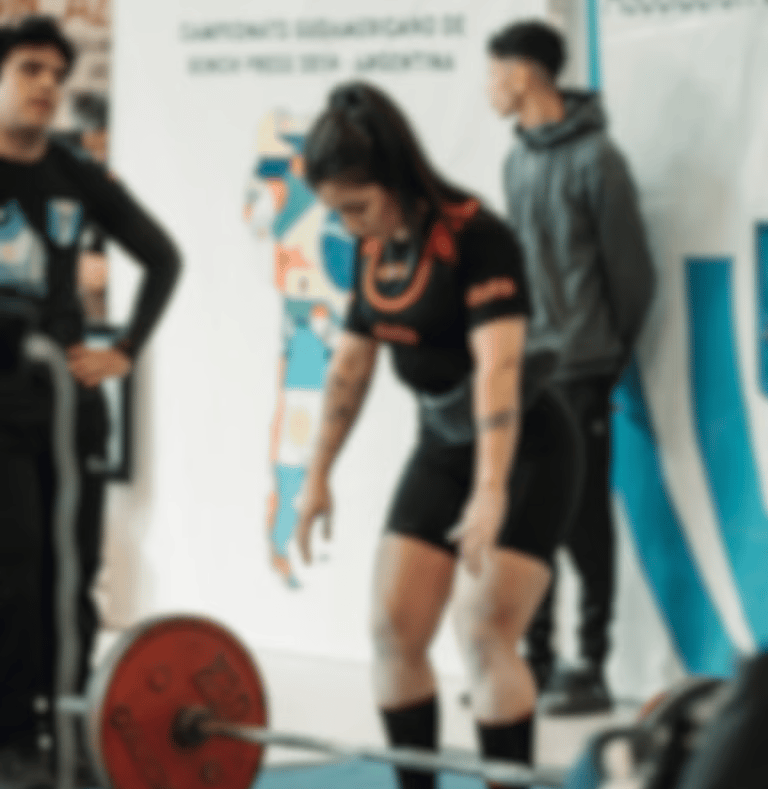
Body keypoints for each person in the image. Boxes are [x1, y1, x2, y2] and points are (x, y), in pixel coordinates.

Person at [295, 81, 582, 789]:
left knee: (483, 631)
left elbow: (498, 370)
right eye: (337, 212)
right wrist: (316, 474)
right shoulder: (373, 246)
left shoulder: (478, 239)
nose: (349, 226)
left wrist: (491, 489)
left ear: (395, 177)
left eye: (358, 206)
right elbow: (351, 366)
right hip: (443, 443)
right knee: (393, 627)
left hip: (526, 448)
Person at [0, 14, 181, 783]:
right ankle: (14, 740)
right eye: (29, 70)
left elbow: (163, 258)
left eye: (56, 75)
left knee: (72, 578)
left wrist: (124, 350)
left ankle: (72, 730)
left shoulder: (76, 173)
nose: (46, 86)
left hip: (72, 408)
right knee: (13, 574)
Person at [487, 20, 655, 714]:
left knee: (584, 521)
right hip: (528, 371)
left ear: (525, 74)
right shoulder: (516, 160)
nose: (490, 88)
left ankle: (591, 666)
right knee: (530, 517)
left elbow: (633, 276)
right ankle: (537, 659)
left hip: (582, 369)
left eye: (495, 73)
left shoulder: (599, 160)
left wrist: (605, 357)